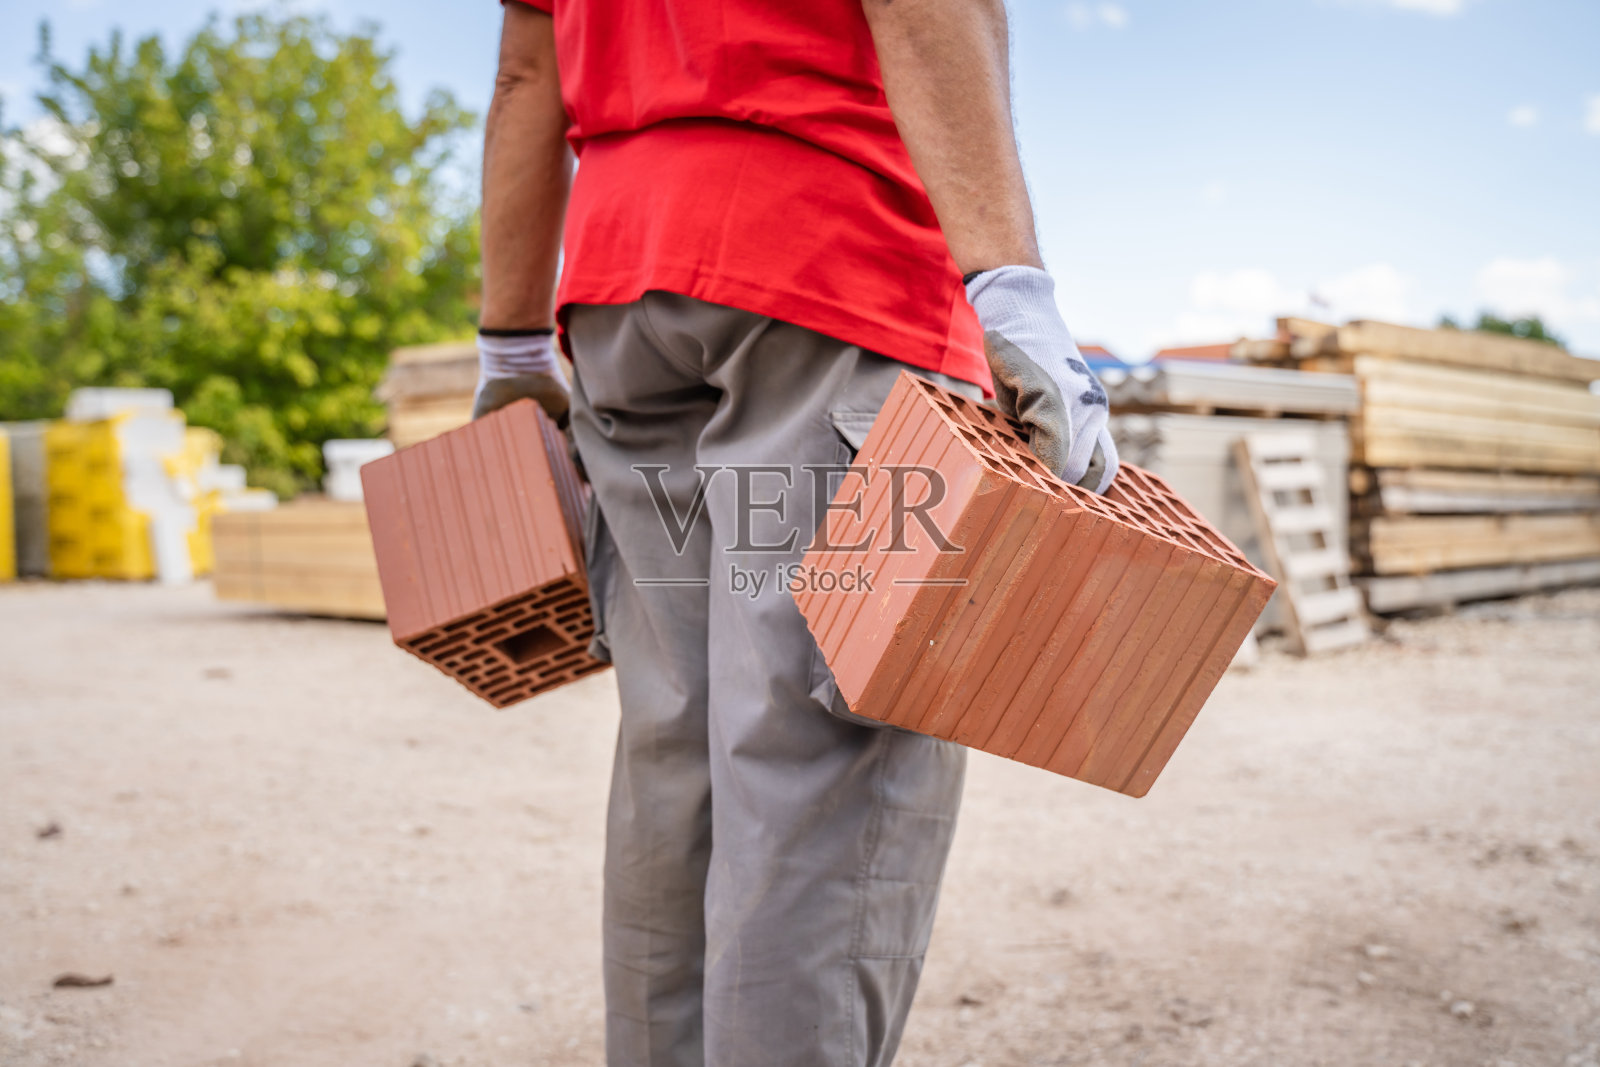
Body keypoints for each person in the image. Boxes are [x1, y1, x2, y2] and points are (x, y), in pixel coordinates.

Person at [474, 1, 1118, 1063]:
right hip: (829, 270)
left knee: (672, 743)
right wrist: (1010, 285)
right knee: (819, 749)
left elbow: (524, 73)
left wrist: (509, 344)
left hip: (623, 302)